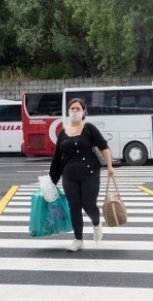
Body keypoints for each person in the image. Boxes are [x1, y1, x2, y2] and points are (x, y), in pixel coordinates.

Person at [49, 98, 115, 251]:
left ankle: (96, 222)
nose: (75, 111)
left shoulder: (89, 128)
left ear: (84, 111)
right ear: (68, 111)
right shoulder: (63, 132)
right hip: (69, 175)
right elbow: (57, 157)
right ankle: (78, 239)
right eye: (72, 108)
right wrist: (52, 180)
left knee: (89, 205)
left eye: (78, 109)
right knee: (74, 207)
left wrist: (110, 166)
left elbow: (104, 147)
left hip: (90, 173)